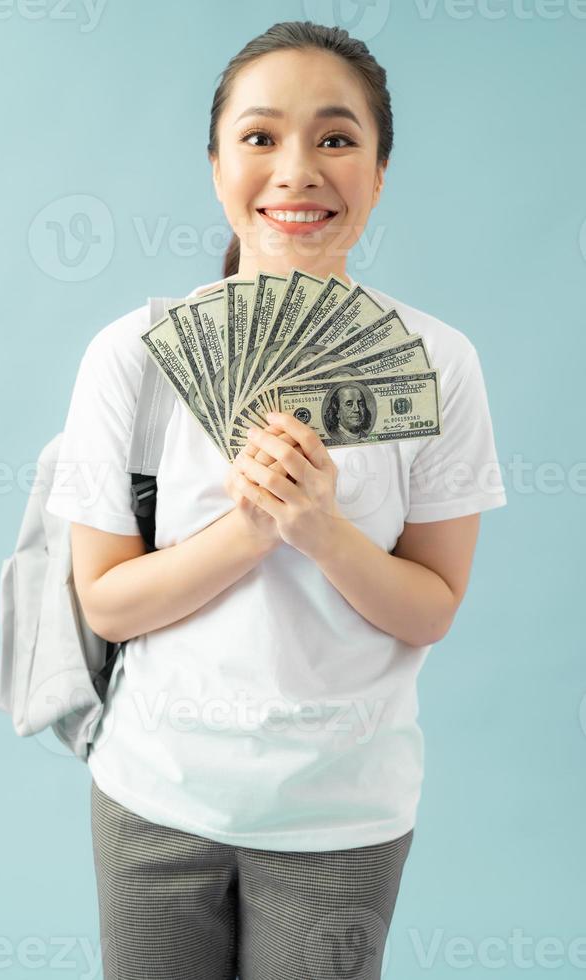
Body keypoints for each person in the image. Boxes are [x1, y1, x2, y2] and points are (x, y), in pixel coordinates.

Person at [46, 20, 508, 980]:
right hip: (153, 794)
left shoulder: (440, 363)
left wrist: (323, 532)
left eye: (337, 138)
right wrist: (252, 530)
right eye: (260, 138)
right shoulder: (132, 357)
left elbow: (432, 608)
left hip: (343, 812)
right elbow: (107, 602)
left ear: (380, 172)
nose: (297, 169)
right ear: (217, 168)